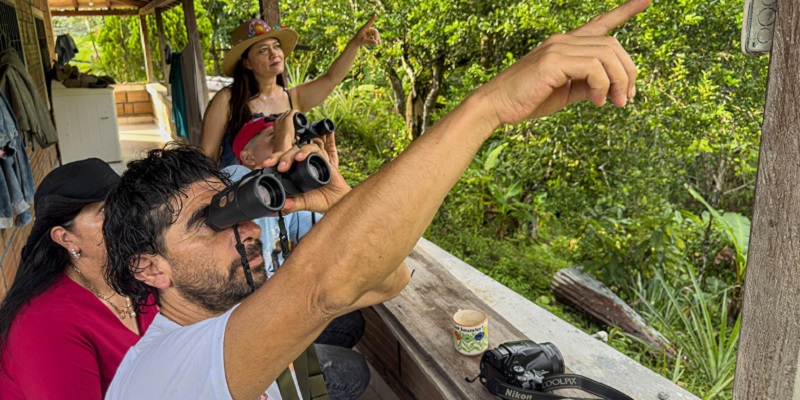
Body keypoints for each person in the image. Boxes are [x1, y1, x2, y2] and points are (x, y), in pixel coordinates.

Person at [104, 1, 649, 398]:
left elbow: (390, 281)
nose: (245, 227)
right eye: (210, 222)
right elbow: (322, 285)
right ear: (149, 267)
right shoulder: (160, 376)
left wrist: (337, 205)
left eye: (238, 208)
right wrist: (491, 104)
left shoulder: (230, 295)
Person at [228, 116, 370, 398]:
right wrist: (283, 146)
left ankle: (308, 383)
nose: (291, 146)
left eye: (293, 140)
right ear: (246, 156)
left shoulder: (286, 200)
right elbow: (249, 190)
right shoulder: (231, 178)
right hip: (248, 337)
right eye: (273, 139)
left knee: (350, 322)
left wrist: (326, 187)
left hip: (273, 316)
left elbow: (336, 242)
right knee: (353, 371)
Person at [0, 158, 159, 399]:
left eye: (124, 204)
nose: (127, 217)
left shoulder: (135, 275)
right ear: (65, 238)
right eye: (105, 211)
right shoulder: (45, 323)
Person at [201, 15, 380, 167]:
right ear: (246, 63)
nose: (274, 54)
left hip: (288, 194)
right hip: (243, 196)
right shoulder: (227, 99)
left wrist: (356, 43)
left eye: (276, 46)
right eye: (263, 50)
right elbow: (207, 157)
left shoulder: (293, 97)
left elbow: (331, 79)